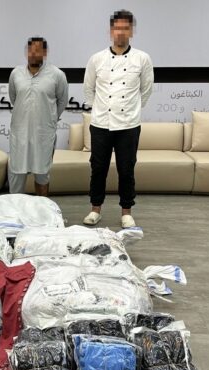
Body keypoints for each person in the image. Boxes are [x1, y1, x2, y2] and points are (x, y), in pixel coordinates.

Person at [83, 10, 153, 228]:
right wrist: (100, 109)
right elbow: (88, 89)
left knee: (126, 169)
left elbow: (146, 90)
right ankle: (95, 209)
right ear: (110, 31)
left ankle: (126, 212)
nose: (120, 32)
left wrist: (131, 110)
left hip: (128, 124)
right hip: (101, 123)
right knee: (98, 168)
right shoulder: (97, 59)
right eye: (117, 28)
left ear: (131, 31)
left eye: (125, 28)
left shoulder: (142, 59)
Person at [8, 37, 68, 196]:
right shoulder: (16, 73)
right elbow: (14, 98)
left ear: (45, 52)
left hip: (43, 134)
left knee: (42, 174)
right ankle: (16, 210)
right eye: (30, 50)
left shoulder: (57, 75)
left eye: (37, 50)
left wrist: (51, 118)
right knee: (17, 173)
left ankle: (42, 208)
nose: (33, 54)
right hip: (20, 133)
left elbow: (62, 100)